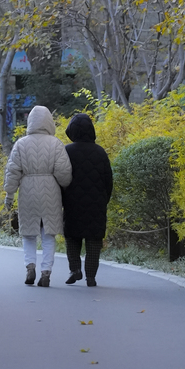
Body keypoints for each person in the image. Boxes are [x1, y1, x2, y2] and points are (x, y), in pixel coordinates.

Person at [4, 104, 73, 287]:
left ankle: (30, 266)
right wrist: (61, 184)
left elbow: (12, 171)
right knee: (48, 234)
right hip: (50, 191)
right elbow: (64, 174)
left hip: (27, 192)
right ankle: (46, 272)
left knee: (29, 233)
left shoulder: (21, 144)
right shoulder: (56, 143)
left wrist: (9, 195)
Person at [61, 113, 113, 288]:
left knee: (72, 238)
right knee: (93, 241)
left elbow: (61, 178)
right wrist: (103, 200)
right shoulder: (100, 152)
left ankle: (75, 270)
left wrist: (62, 200)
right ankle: (91, 277)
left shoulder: (67, 151)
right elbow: (108, 181)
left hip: (72, 204)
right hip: (96, 205)